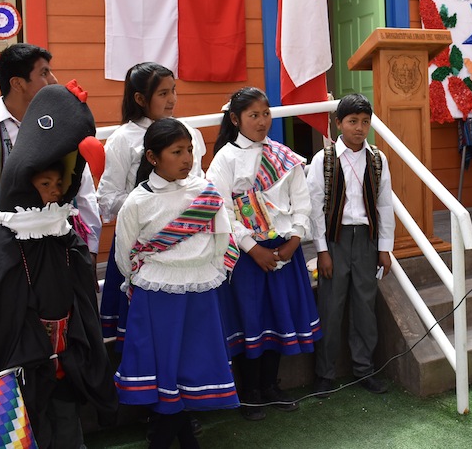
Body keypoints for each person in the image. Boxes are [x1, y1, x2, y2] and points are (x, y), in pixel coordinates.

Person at [0, 82, 117, 449]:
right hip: (30, 361)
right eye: (44, 183)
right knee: (34, 426)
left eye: (59, 182)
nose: (54, 190)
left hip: (66, 356)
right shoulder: (7, 243)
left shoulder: (63, 233)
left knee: (68, 426)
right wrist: (34, 352)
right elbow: (5, 314)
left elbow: (81, 295)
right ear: (25, 181)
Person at [0, 45, 101, 342]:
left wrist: (89, 250)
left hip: (60, 259)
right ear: (17, 83)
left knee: (70, 344)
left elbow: (84, 192)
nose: (54, 80)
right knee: (10, 347)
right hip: (1, 266)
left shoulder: (62, 126)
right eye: (43, 73)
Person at [114, 118, 238, 448]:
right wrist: (150, 280)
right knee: (167, 369)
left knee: (189, 368)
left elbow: (223, 240)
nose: (187, 158)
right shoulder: (137, 202)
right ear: (152, 157)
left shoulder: (205, 193)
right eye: (177, 151)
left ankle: (175, 440)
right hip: (157, 297)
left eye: (189, 150)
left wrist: (204, 271)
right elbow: (124, 254)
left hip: (200, 292)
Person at [206, 87, 321, 421]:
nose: (262, 121)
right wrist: (253, 248)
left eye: (266, 113)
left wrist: (295, 240)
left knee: (277, 318)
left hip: (285, 251)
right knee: (250, 321)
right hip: (248, 258)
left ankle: (271, 385)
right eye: (253, 115)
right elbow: (221, 211)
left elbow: (302, 202)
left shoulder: (284, 156)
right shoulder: (225, 159)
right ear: (235, 118)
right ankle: (250, 392)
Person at [97, 62, 206, 347]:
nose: (171, 99)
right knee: (144, 331)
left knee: (187, 329)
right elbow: (107, 198)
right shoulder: (123, 139)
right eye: (162, 93)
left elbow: (200, 185)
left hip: (185, 243)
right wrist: (150, 203)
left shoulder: (188, 132)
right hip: (140, 246)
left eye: (174, 91)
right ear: (140, 98)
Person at [306, 94, 394, 397]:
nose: (359, 128)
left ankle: (364, 369)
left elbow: (384, 205)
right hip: (336, 240)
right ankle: (325, 373)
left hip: (367, 240)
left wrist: (384, 247)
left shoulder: (377, 159)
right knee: (331, 306)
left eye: (365, 122)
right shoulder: (325, 159)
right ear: (338, 123)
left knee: (365, 305)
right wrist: (322, 251)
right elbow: (315, 207)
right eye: (353, 121)